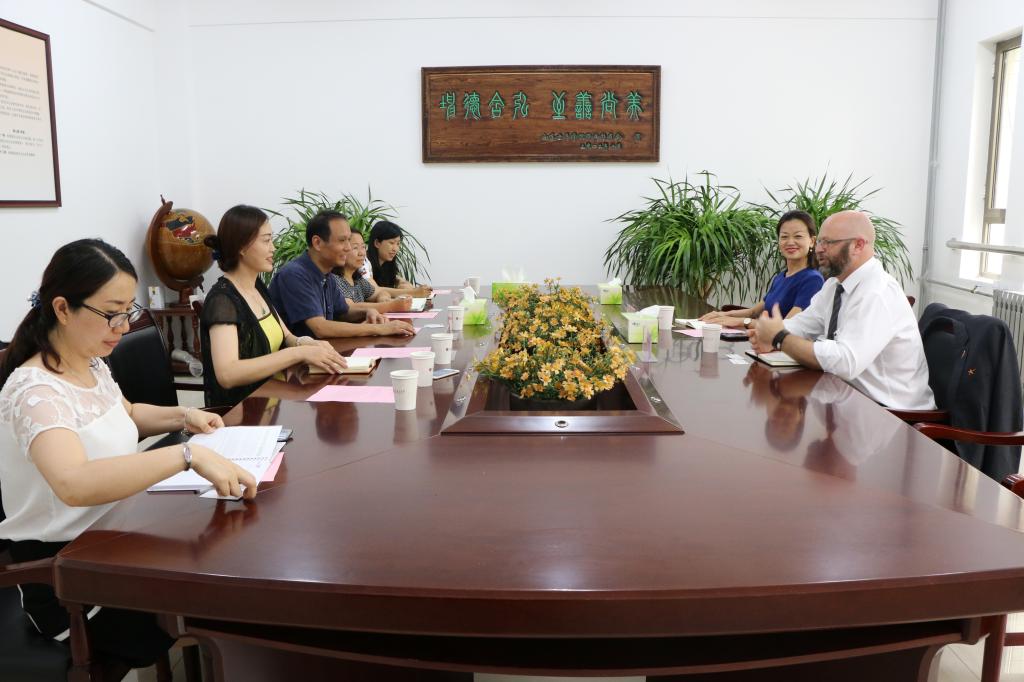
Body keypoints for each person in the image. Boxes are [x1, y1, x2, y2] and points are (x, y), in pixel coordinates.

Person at [0, 239, 258, 672]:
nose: (122, 326)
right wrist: (186, 456)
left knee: (229, 552)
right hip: (69, 577)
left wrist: (186, 416)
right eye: (111, 313)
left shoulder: (89, 362)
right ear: (62, 308)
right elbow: (74, 483)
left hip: (117, 540)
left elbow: (128, 414)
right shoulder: (35, 391)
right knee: (222, 596)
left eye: (128, 310)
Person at [749, 210, 935, 410]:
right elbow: (804, 324)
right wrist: (768, 334)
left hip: (889, 412)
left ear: (858, 245)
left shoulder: (877, 292)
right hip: (846, 397)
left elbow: (846, 362)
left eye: (828, 242)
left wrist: (779, 337)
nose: (818, 249)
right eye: (819, 242)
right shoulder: (834, 285)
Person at [201, 205, 347, 407]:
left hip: (270, 399)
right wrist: (298, 353)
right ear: (242, 247)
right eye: (266, 240)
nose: (273, 248)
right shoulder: (223, 300)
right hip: (240, 411)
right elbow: (227, 374)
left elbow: (287, 337)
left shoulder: (257, 287)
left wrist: (309, 344)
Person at [268, 211, 415, 340]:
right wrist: (379, 329)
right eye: (342, 241)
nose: (348, 248)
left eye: (349, 241)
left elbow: (345, 311)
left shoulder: (327, 274)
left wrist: (369, 311)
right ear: (317, 243)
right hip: (299, 359)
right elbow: (320, 328)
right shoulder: (295, 274)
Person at [701, 210, 824, 328]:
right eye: (784, 237)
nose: (790, 242)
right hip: (762, 339)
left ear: (812, 241)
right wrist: (721, 315)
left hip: (784, 342)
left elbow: (786, 326)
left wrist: (741, 322)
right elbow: (753, 312)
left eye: (798, 236)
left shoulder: (813, 280)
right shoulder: (781, 277)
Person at [335, 231, 414, 314]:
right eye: (355, 248)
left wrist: (383, 298)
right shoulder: (335, 279)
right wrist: (390, 305)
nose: (361, 253)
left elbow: (380, 292)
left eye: (363, 247)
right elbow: (349, 308)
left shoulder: (358, 280)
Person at [366, 220, 431, 296]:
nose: (395, 249)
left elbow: (396, 279)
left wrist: (402, 283)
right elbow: (374, 290)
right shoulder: (364, 262)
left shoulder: (387, 263)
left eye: (398, 244)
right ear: (377, 243)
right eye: (391, 243)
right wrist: (414, 292)